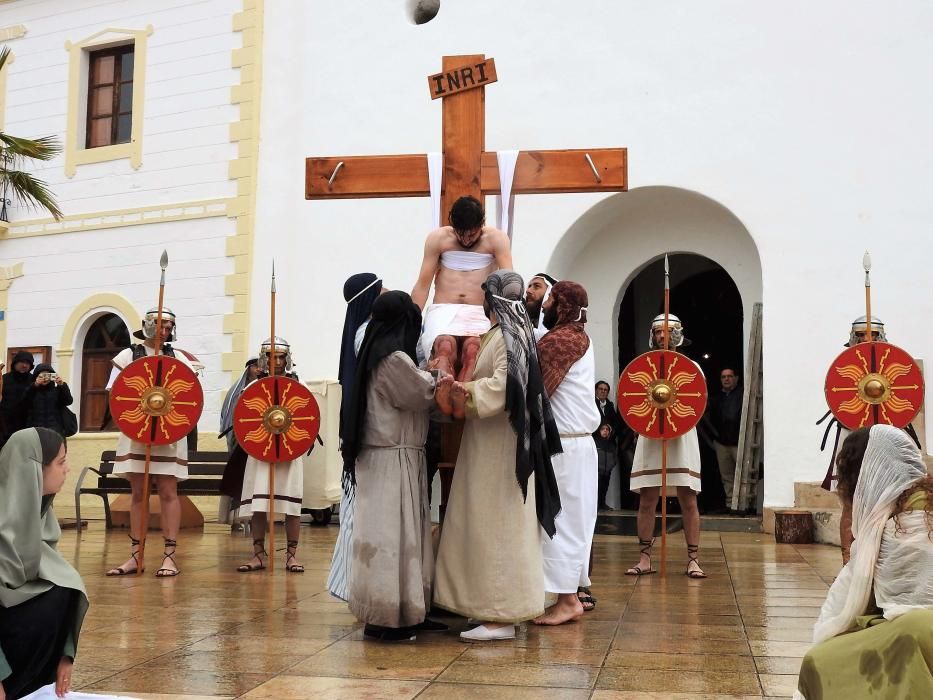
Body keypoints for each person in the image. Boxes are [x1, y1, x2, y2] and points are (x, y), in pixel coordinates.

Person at [433, 270, 562, 641]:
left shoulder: (512, 334)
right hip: (486, 442)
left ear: (492, 297)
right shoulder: (501, 331)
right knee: (482, 525)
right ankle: (486, 607)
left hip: (504, 448)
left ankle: (501, 617)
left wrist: (463, 390)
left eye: (485, 294)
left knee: (500, 526)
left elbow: (508, 385)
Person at [795, 425, 933, 700]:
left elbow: (905, 604)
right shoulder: (911, 508)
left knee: (821, 661)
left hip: (921, 631)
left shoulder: (906, 523)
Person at [341, 291, 441, 641]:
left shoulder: (377, 351)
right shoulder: (393, 358)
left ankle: (410, 608)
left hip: (398, 454)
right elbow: (418, 393)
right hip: (390, 455)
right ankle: (385, 617)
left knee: (407, 535)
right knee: (389, 539)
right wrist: (438, 375)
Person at [106, 307, 197, 577]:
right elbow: (116, 394)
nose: (164, 331)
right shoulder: (127, 356)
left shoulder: (178, 358)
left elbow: (189, 394)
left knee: (168, 492)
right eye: (159, 325)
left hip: (169, 433)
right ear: (147, 325)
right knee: (138, 494)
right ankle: (136, 556)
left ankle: (169, 557)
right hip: (138, 431)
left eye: (168, 327)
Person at [0, 428, 89, 700]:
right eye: (61, 462)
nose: (68, 469)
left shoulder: (39, 520)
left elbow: (66, 586)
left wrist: (66, 654)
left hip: (20, 657)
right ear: (34, 468)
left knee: (59, 589)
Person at [533, 281, 601, 626]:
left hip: (565, 446)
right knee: (575, 520)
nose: (544, 306)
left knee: (560, 520)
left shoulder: (560, 340)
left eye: (549, 301)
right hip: (577, 444)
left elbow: (538, 391)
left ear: (562, 306)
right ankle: (570, 593)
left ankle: (567, 600)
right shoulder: (581, 336)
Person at [411, 196, 512, 415]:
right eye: (461, 233)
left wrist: (509, 320)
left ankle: (463, 401)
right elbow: (423, 284)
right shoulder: (438, 239)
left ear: (481, 225)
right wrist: (409, 318)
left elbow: (508, 282)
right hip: (444, 308)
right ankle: (443, 398)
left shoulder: (497, 239)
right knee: (445, 348)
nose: (466, 239)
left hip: (479, 310)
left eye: (472, 233)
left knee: (473, 351)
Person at [626, 314, 707, 579]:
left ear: (676, 334)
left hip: (681, 435)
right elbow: (633, 396)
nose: (662, 336)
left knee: (688, 497)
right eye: (658, 332)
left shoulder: (691, 366)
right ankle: (645, 558)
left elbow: (696, 400)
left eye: (667, 332)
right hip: (651, 434)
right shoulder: (644, 365)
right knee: (648, 499)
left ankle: (693, 559)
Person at [327, 273, 383, 601]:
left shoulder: (361, 333)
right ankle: (349, 584)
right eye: (381, 287)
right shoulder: (366, 334)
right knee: (356, 515)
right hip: (368, 436)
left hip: (362, 434)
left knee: (358, 512)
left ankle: (351, 583)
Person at [235, 337, 306, 574]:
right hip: (261, 450)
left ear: (288, 358)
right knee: (259, 506)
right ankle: (257, 555)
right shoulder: (252, 387)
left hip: (288, 450)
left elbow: (306, 416)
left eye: (281, 356)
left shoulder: (298, 384)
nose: (276, 361)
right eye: (272, 356)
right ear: (263, 358)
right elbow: (245, 420)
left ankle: (291, 556)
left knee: (292, 506)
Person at [217, 357, 259, 526]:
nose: (257, 369)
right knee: (237, 477)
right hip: (239, 439)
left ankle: (252, 517)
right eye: (254, 366)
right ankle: (233, 518)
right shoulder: (237, 390)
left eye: (259, 366)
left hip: (257, 440)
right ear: (248, 368)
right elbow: (230, 415)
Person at [708, 367, 742, 509]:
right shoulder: (716, 398)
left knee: (742, 476)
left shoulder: (743, 395)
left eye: (729, 376)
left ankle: (743, 506)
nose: (726, 379)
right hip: (721, 443)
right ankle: (730, 505)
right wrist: (715, 438)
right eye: (723, 377)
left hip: (738, 442)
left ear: (736, 378)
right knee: (726, 476)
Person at [22, 364, 73, 437]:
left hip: (55, 430)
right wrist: (35, 385)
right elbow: (23, 403)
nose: (45, 378)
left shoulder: (57, 391)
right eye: (42, 376)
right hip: (35, 431)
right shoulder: (32, 390)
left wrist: (61, 385)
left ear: (52, 376)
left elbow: (68, 401)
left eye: (48, 375)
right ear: (36, 377)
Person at [593, 380, 621, 511]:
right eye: (600, 389)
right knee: (595, 477)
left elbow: (616, 423)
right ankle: (594, 504)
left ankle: (602, 503)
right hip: (595, 446)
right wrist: (601, 428)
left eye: (605, 390)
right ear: (595, 390)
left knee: (606, 476)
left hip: (608, 448)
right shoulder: (591, 404)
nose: (603, 391)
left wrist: (610, 429)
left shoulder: (610, 406)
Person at [0, 352, 34, 448]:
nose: (24, 365)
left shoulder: (33, 380)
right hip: (5, 426)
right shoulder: (4, 379)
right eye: (22, 362)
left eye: (28, 363)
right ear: (15, 363)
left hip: (26, 426)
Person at [524, 272, 557, 341]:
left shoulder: (558, 331)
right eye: (529, 286)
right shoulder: (522, 321)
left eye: (536, 286)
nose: (528, 291)